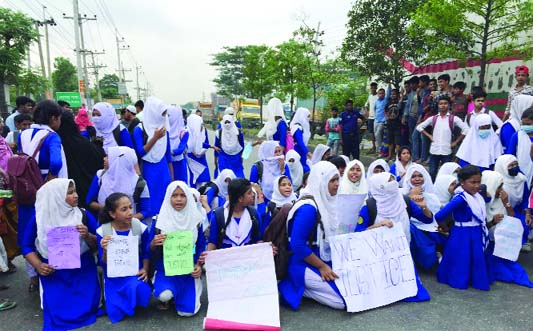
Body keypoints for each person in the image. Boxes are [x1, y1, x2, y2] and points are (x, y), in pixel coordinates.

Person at [22, 179, 101, 330]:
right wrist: (38, 265)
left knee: (87, 305)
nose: (76, 196)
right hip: (54, 272)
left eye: (75, 191)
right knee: (59, 311)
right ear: (55, 196)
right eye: (70, 193)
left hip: (82, 269)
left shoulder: (82, 215)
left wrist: (88, 236)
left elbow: (101, 241)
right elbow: (26, 246)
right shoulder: (40, 218)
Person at [278, 161, 346, 310]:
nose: (336, 184)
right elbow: (297, 245)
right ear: (321, 182)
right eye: (332, 180)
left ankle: (310, 285)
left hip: (320, 257)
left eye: (337, 180)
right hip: (302, 262)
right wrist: (322, 267)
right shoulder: (309, 208)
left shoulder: (325, 201)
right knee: (342, 301)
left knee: (351, 287)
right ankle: (299, 287)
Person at [18, 100, 68, 292]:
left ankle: (33, 276)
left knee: (27, 230)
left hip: (25, 189)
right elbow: (56, 162)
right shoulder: (51, 136)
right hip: (43, 188)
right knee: (48, 228)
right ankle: (53, 270)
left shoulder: (23, 133)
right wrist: (49, 182)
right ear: (54, 118)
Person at [150, 181, 205, 315]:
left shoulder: (196, 221)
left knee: (187, 312)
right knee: (164, 294)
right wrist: (153, 243)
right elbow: (148, 250)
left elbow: (201, 246)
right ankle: (166, 298)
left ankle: (191, 288)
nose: (179, 199)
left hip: (188, 270)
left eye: (182, 195)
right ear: (168, 197)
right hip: (166, 269)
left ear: (188, 197)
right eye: (174, 195)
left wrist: (198, 265)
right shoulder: (159, 220)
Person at [97, 193, 152, 323]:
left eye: (130, 207)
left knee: (140, 290)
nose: (129, 212)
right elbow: (103, 263)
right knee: (115, 314)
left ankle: (135, 298)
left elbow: (146, 252)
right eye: (124, 209)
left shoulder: (140, 227)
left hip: (134, 273)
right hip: (113, 278)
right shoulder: (103, 231)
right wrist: (105, 250)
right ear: (112, 214)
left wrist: (145, 269)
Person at [435, 165, 491, 290]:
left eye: (478, 182)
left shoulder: (476, 196)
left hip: (475, 231)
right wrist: (445, 229)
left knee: (475, 256)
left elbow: (489, 197)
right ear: (462, 182)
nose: (476, 186)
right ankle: (460, 279)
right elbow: (439, 215)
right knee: (462, 258)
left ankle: (473, 278)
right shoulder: (460, 199)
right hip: (462, 233)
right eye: (472, 182)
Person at [480, 170, 533, 287]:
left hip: (499, 243)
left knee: (512, 271)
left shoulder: (501, 199)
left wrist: (506, 203)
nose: (501, 190)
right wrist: (493, 222)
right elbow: (480, 228)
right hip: (486, 244)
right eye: (499, 186)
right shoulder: (480, 202)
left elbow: (512, 217)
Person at [86, 146, 152, 222]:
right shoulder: (100, 176)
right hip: (105, 224)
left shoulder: (139, 183)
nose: (104, 158)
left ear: (117, 161)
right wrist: (110, 210)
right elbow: (89, 202)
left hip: (129, 226)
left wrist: (127, 218)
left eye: (108, 157)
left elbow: (146, 211)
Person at [57, 111, 105, 209]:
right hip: (86, 187)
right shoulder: (82, 142)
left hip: (65, 189)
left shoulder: (56, 142)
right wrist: (98, 145)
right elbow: (98, 158)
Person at [401, 165, 446, 270]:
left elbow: (432, 219)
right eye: (413, 176)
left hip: (430, 227)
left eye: (420, 176)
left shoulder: (432, 197)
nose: (417, 179)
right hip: (413, 228)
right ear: (408, 179)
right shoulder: (402, 195)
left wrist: (423, 206)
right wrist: (410, 197)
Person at [133, 97, 172, 213]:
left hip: (163, 170)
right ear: (153, 112)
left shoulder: (164, 130)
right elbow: (140, 152)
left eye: (165, 113)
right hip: (148, 170)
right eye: (162, 113)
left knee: (164, 202)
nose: (164, 117)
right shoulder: (139, 129)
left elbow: (168, 156)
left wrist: (172, 179)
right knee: (149, 203)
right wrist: (155, 138)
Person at [416, 95, 469, 181]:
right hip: (434, 150)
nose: (443, 105)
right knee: (432, 173)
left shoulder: (453, 119)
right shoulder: (433, 118)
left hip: (447, 150)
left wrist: (456, 142)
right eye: (441, 104)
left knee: (446, 173)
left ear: (449, 105)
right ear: (438, 105)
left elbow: (466, 129)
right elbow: (419, 127)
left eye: (445, 103)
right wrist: (429, 136)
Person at [207, 178, 262, 250]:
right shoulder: (219, 215)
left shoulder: (253, 214)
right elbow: (213, 242)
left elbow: (258, 239)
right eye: (249, 193)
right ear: (240, 198)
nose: (253, 195)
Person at [186, 114, 212, 187]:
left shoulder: (200, 133)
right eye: (200, 124)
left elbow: (201, 144)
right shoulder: (186, 134)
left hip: (200, 157)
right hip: (191, 159)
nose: (201, 127)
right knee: (192, 180)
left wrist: (210, 146)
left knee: (201, 181)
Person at [167, 106, 189, 182]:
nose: (167, 118)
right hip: (166, 164)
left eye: (169, 115)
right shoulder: (163, 131)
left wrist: (168, 152)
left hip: (178, 164)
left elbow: (180, 149)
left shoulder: (183, 132)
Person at [290, 107, 311, 172]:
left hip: (301, 151)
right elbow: (300, 142)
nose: (308, 118)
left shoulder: (302, 128)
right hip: (298, 151)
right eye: (307, 116)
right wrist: (308, 152)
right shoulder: (297, 128)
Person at [372, 86, 391, 157]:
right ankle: (379, 150)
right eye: (379, 93)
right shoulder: (377, 101)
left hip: (382, 121)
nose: (381, 95)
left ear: (384, 94)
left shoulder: (385, 100)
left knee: (377, 134)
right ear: (378, 94)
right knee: (376, 135)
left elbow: (389, 93)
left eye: (382, 93)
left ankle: (380, 150)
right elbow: (375, 109)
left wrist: (389, 85)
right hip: (376, 120)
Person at [385, 89, 402, 161]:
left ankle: (398, 156)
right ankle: (389, 155)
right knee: (390, 141)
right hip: (390, 124)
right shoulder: (388, 102)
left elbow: (401, 109)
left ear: (397, 95)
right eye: (391, 94)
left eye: (394, 94)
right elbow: (385, 110)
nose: (392, 95)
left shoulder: (400, 102)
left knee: (397, 141)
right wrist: (387, 117)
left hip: (397, 124)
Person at [364, 82, 378, 153]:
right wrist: (366, 111)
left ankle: (379, 147)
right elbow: (366, 104)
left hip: (377, 118)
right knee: (372, 133)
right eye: (371, 88)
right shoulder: (370, 96)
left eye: (374, 88)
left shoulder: (378, 96)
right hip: (370, 117)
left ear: (376, 88)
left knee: (377, 133)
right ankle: (374, 147)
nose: (372, 89)